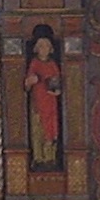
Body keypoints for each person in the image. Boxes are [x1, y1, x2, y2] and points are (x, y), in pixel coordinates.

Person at [25, 27, 63, 169]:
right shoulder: (34, 63)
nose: (44, 49)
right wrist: (31, 81)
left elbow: (57, 82)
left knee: (51, 129)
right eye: (41, 46)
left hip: (50, 102)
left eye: (46, 46)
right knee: (38, 129)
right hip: (38, 102)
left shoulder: (52, 64)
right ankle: (38, 157)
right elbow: (27, 83)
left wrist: (56, 90)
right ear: (37, 48)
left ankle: (50, 157)